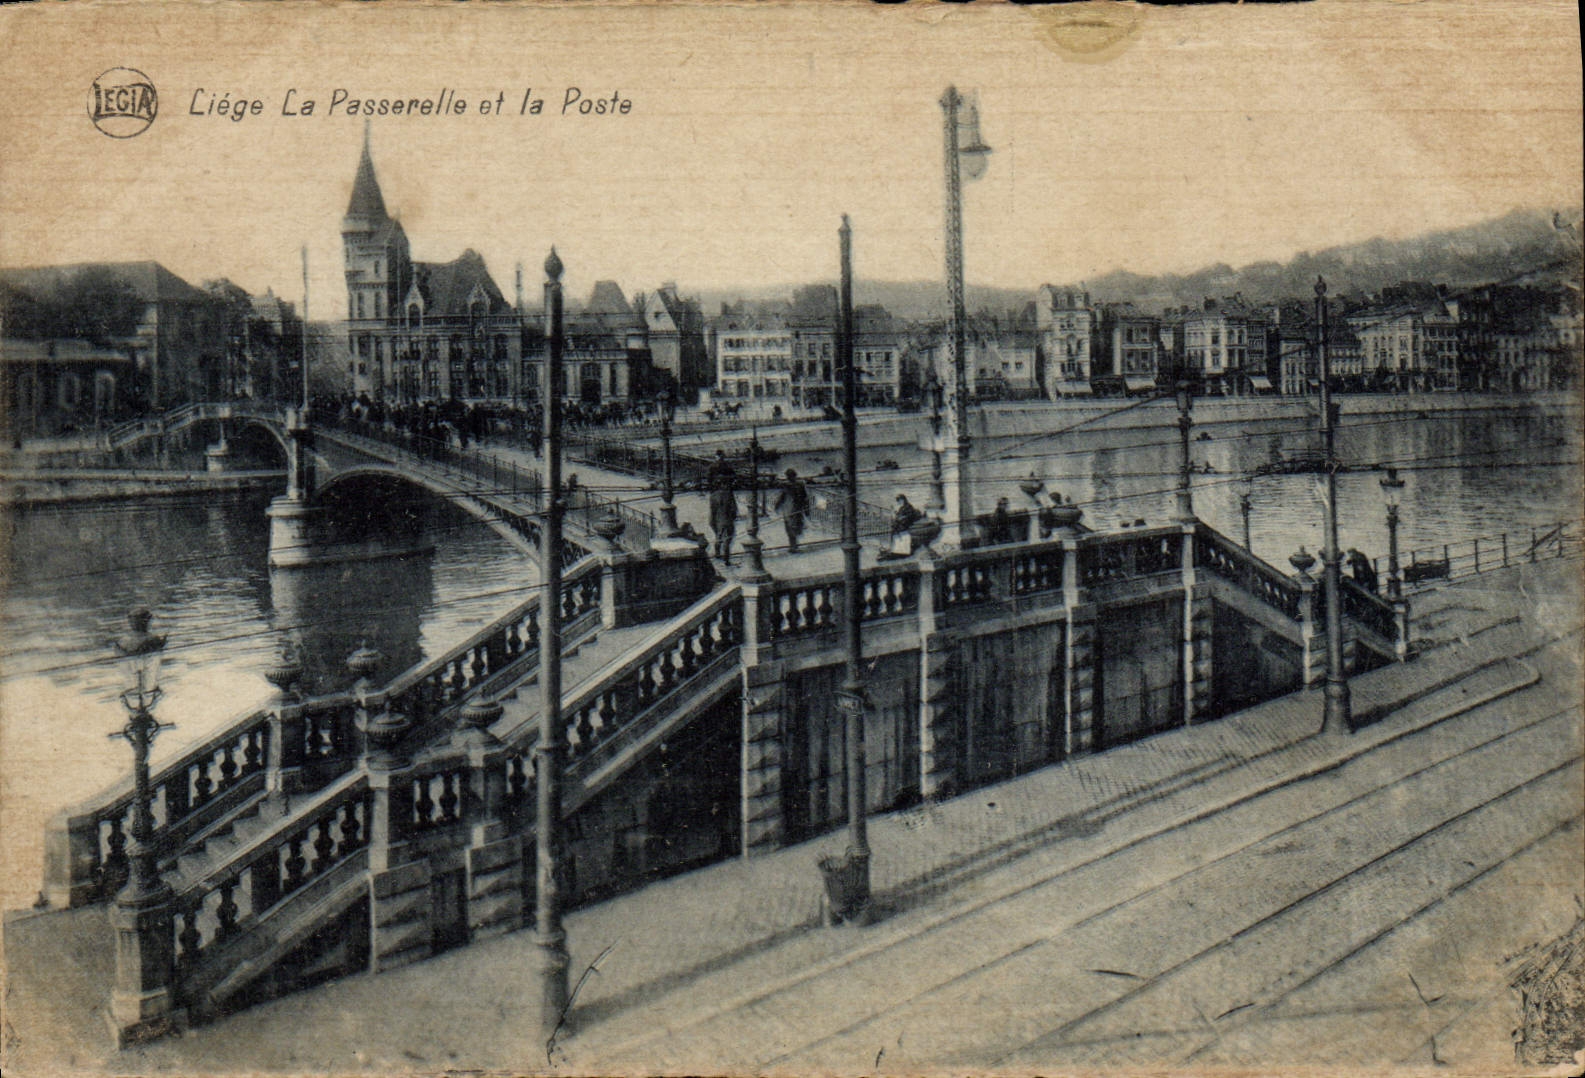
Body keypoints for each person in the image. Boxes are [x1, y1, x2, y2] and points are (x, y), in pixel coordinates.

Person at [706, 450, 739, 563]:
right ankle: (726, 559)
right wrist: (733, 517)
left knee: (718, 536)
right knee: (727, 539)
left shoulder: (713, 496)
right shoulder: (729, 494)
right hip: (727, 519)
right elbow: (734, 510)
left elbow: (712, 511)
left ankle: (717, 554)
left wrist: (712, 521)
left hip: (717, 518)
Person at [774, 468, 810, 553]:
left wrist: (777, 506)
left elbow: (781, 497)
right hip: (797, 509)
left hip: (789, 509)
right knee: (795, 527)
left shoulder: (786, 485)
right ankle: (794, 546)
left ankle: (793, 546)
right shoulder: (800, 484)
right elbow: (805, 497)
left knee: (790, 528)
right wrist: (806, 509)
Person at [884, 494, 923, 559]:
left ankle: (903, 551)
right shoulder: (902, 508)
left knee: (899, 531)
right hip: (902, 523)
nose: (899, 502)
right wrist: (895, 513)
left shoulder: (908, 506)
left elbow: (910, 515)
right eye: (898, 501)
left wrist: (902, 518)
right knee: (895, 531)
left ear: (903, 500)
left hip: (907, 523)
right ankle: (897, 550)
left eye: (900, 500)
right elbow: (899, 515)